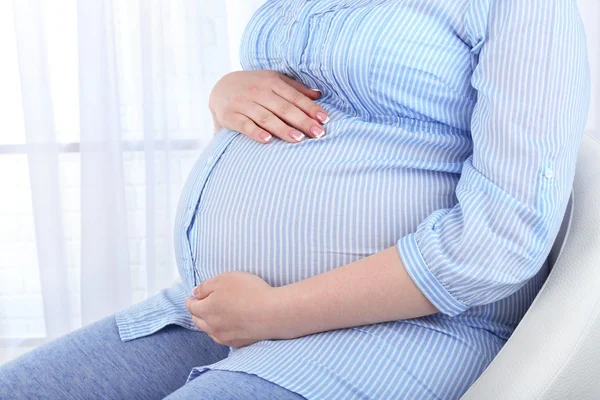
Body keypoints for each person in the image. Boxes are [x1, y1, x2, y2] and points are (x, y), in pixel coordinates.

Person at [0, 0, 590, 399]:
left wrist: (274, 313)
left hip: (412, 328)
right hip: (216, 312)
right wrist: (227, 95)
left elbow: (503, 240)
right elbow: (307, 119)